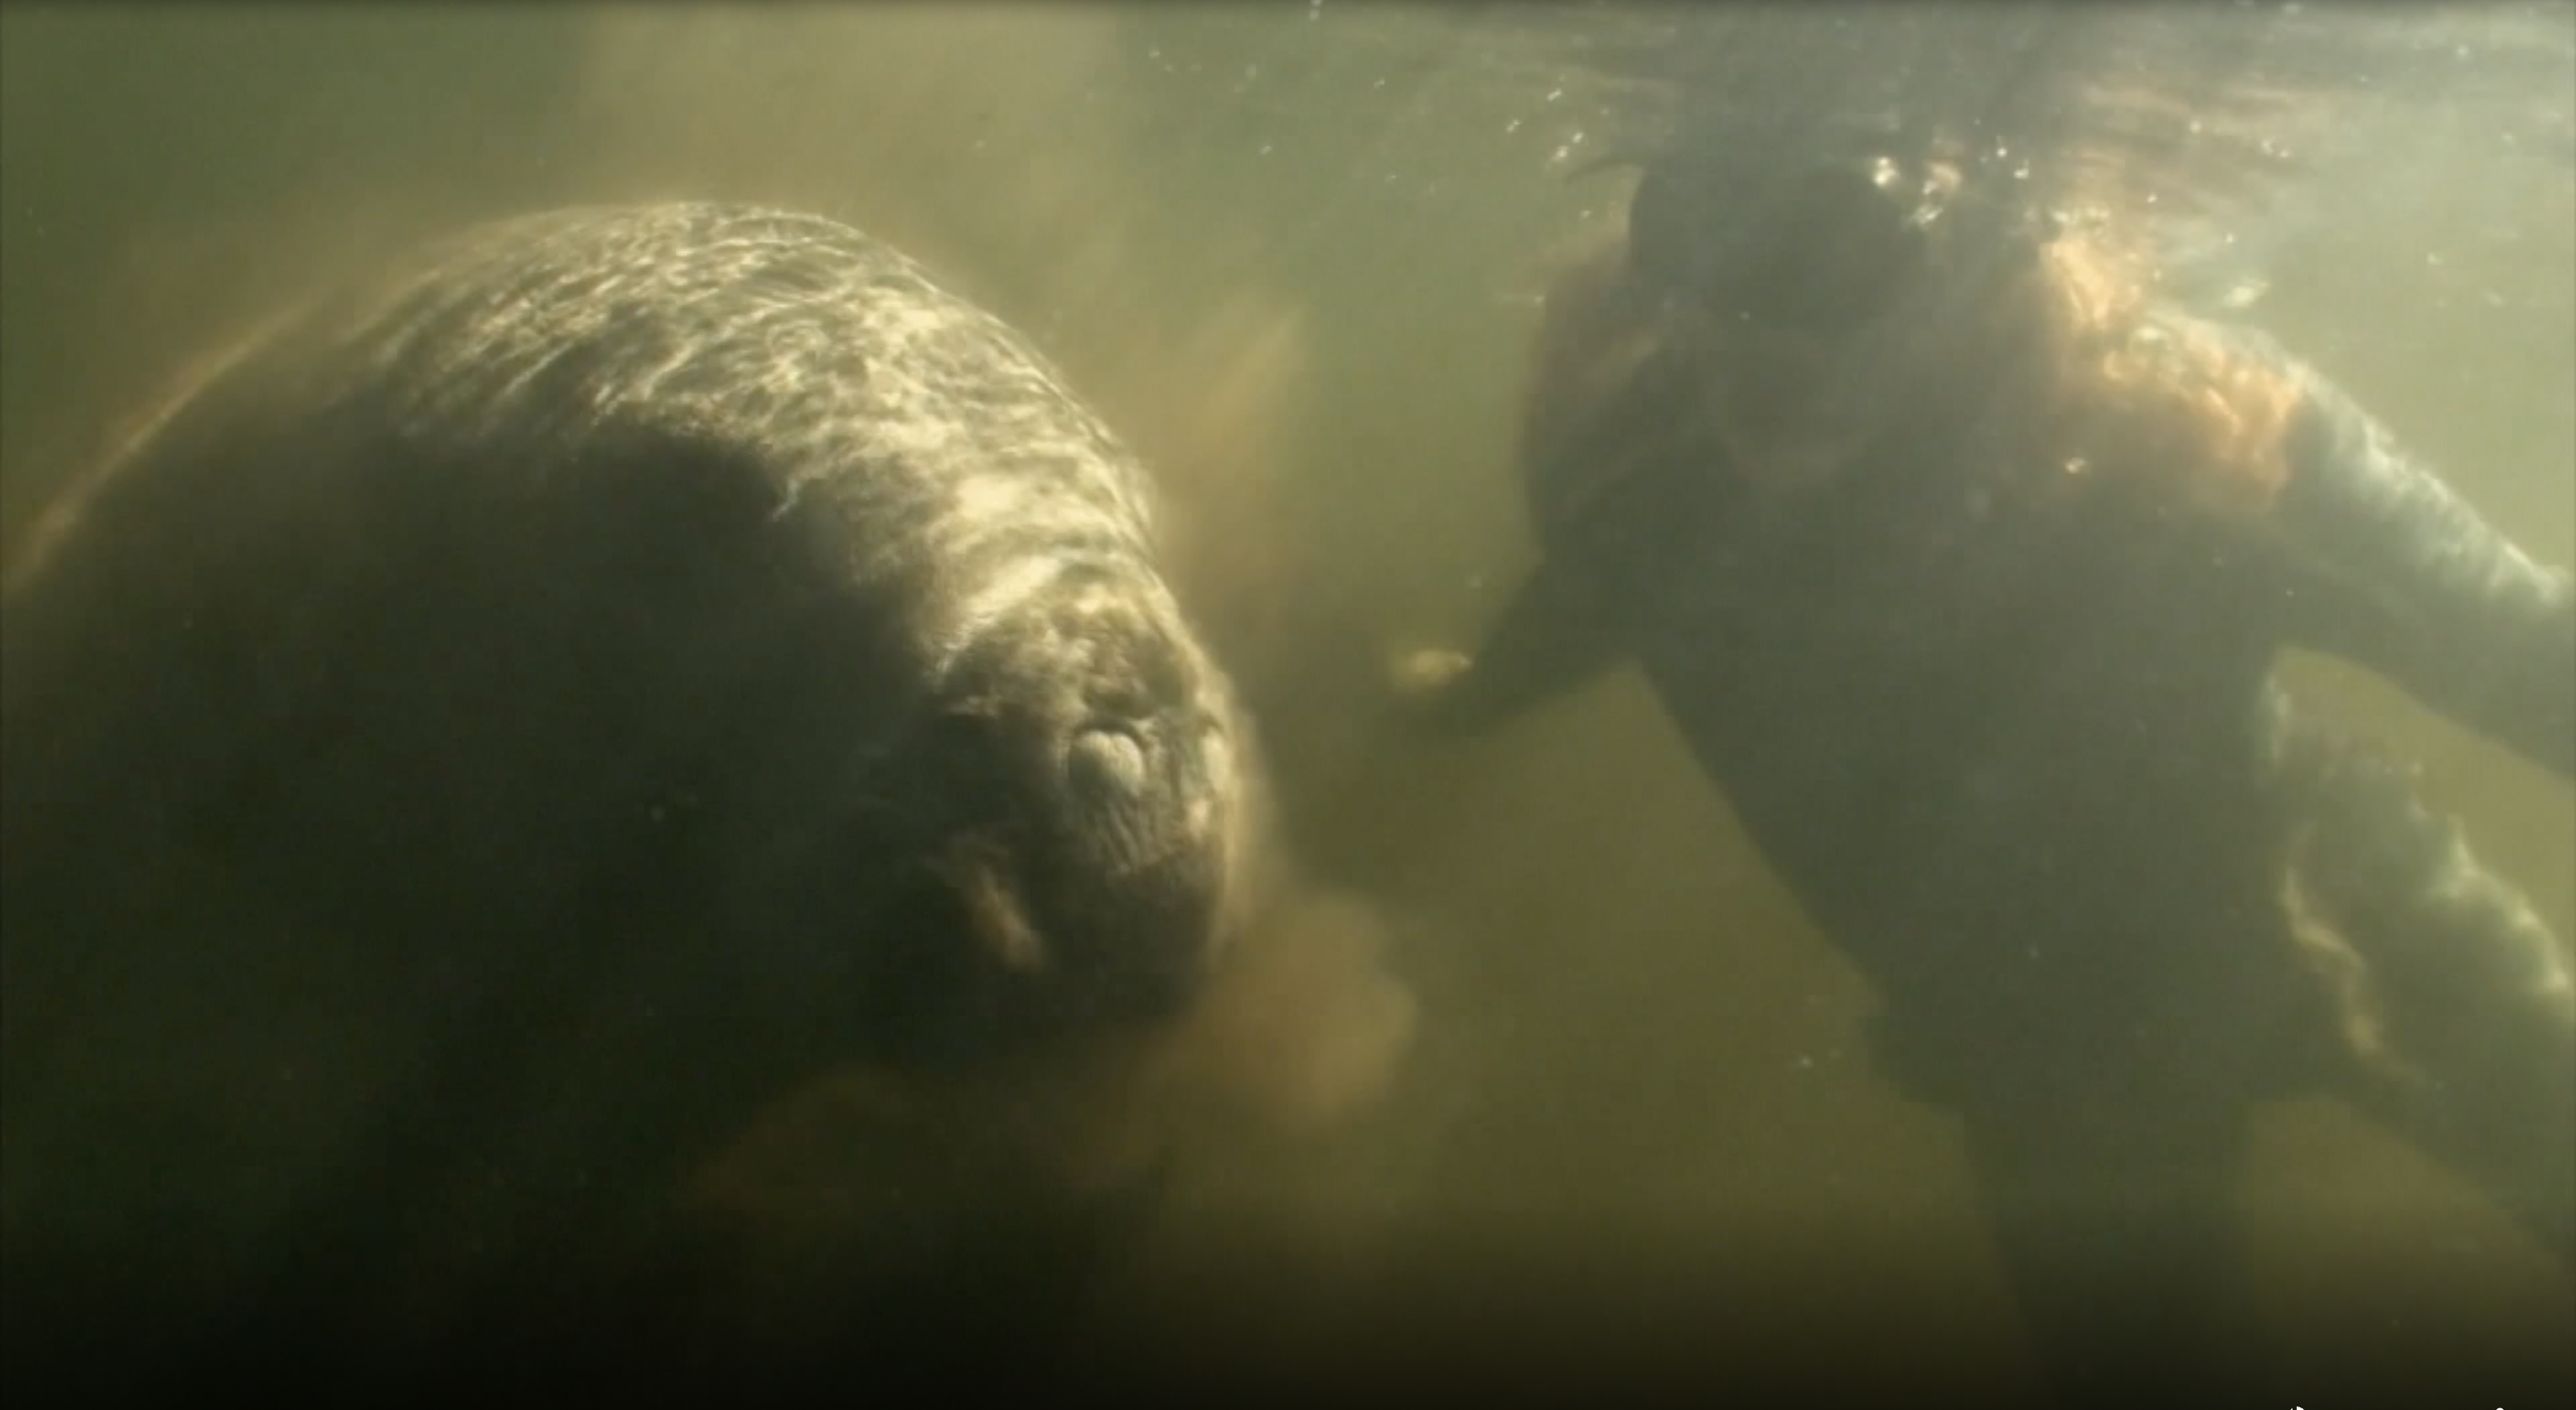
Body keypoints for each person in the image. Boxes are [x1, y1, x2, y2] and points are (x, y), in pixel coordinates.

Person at [1391, 122, 2575, 1400]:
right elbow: (1589, 599)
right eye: (1712, 236)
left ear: (1990, 247)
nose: (1758, 318)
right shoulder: (1650, 480)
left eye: (1840, 248)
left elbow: (2520, 647)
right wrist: (1452, 699)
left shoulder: (2182, 427)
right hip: (2044, 1052)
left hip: (2349, 912)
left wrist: (1460, 700)